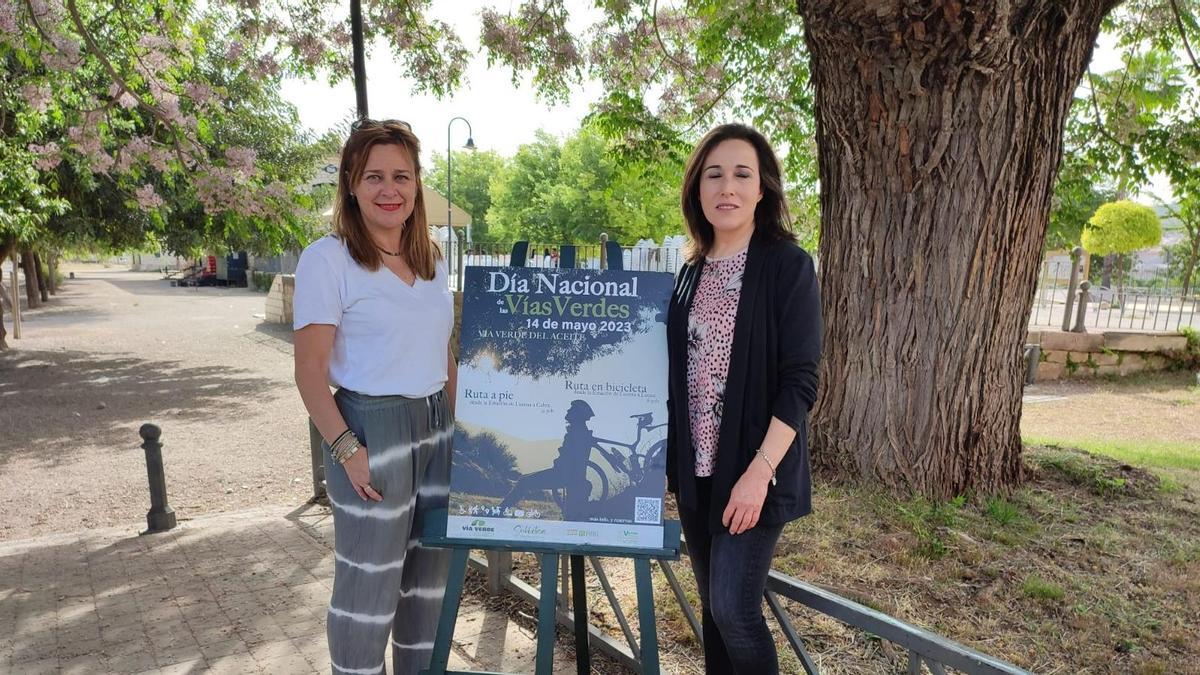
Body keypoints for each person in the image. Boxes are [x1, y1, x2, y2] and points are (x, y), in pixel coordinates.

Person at [293, 119, 457, 675]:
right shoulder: (328, 259)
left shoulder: (431, 260)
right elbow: (310, 372)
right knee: (370, 584)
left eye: (402, 177)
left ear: (416, 186)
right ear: (351, 184)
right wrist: (346, 447)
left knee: (426, 582)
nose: (390, 190)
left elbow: (445, 358)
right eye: (375, 177)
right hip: (370, 427)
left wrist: (471, 438)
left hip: (437, 427)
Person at [666, 123, 822, 674]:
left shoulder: (787, 266)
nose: (726, 187)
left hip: (755, 469)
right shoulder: (689, 273)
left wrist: (759, 473)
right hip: (697, 473)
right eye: (714, 174)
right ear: (697, 189)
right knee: (712, 611)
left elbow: (801, 380)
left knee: (734, 608)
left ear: (762, 189)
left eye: (741, 174)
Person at [499, 399, 620, 518]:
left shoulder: (578, 434)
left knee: (524, 482)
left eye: (571, 410)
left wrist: (576, 482)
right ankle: (500, 510)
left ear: (577, 415)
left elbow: (577, 460)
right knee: (524, 480)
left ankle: (499, 511)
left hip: (564, 475)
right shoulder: (579, 432)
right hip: (565, 474)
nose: (568, 411)